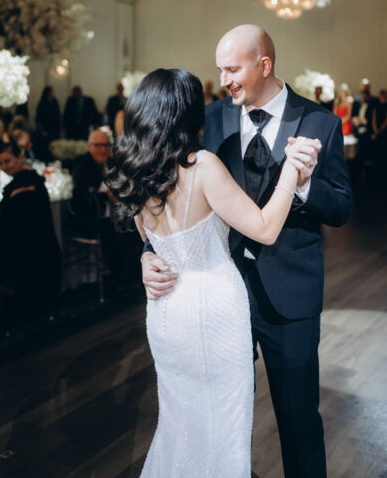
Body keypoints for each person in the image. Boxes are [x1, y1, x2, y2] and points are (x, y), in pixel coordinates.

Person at [141, 25, 353, 478]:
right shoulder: (210, 118)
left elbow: (340, 209)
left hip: (289, 297)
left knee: (298, 419)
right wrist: (148, 251)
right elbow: (169, 188)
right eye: (220, 70)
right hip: (219, 297)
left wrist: (306, 183)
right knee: (223, 416)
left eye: (232, 69)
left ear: (265, 65)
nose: (224, 80)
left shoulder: (320, 122)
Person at [108, 67, 319, 477]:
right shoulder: (202, 165)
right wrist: (291, 171)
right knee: (223, 427)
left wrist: (146, 258)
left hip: (166, 313)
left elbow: (152, 241)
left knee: (179, 424)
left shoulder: (134, 169)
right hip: (214, 312)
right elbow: (265, 229)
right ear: (188, 114)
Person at [0, 141, 61, 316]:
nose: (4, 167)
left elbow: (11, 224)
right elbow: (12, 219)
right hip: (41, 245)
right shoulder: (33, 180)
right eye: (0, 163)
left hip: (22, 249)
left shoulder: (23, 186)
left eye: (8, 161)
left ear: (20, 156)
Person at [70, 127, 138, 294]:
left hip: (115, 216)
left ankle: (128, 280)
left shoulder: (112, 162)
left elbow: (124, 183)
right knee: (119, 238)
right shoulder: (82, 162)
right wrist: (108, 192)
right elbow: (83, 184)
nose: (103, 149)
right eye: (98, 145)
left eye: (107, 145)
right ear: (89, 146)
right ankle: (117, 283)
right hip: (92, 218)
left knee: (133, 231)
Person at [372, 89, 387, 182]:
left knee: (385, 153)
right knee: (378, 153)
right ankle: (378, 172)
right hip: (378, 133)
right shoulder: (376, 107)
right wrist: (376, 129)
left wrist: (380, 130)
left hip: (385, 133)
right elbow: (373, 119)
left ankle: (385, 173)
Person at [35, 86, 61, 159]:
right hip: (45, 127)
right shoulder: (42, 102)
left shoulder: (54, 101)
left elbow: (57, 114)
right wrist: (41, 129)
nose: (52, 93)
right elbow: (39, 117)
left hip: (54, 127)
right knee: (45, 145)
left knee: (54, 145)